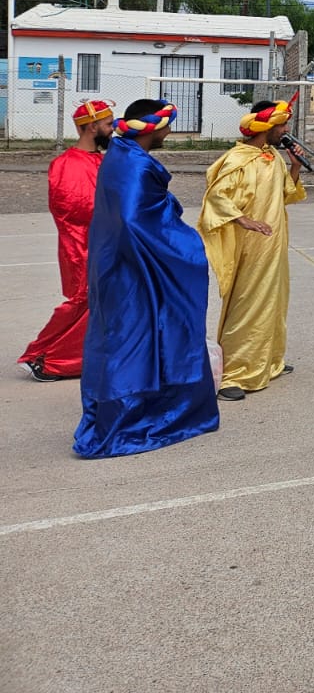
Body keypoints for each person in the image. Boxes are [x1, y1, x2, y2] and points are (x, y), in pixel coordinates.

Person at [74, 101, 219, 458]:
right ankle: (125, 422)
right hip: (132, 273)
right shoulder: (135, 167)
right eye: (169, 126)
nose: (170, 132)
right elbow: (133, 221)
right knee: (133, 343)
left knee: (133, 340)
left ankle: (145, 410)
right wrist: (184, 247)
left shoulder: (119, 153)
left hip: (117, 264)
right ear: (154, 128)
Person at [199, 98, 308, 401]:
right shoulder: (238, 160)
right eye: (283, 124)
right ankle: (233, 373)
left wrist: (295, 167)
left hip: (273, 245)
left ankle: (268, 361)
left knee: (274, 302)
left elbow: (285, 194)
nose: (287, 129)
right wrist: (244, 220)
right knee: (247, 305)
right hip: (250, 249)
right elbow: (216, 198)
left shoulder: (270, 155)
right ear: (266, 127)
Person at [19, 99, 115, 381]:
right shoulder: (67, 164)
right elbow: (74, 208)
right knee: (83, 300)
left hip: (103, 245)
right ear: (92, 126)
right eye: (108, 124)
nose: (112, 130)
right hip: (82, 247)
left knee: (99, 303)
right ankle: (46, 358)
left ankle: (59, 357)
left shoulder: (101, 159)